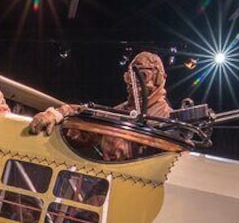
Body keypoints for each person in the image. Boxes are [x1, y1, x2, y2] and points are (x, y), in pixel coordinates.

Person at [28, 51, 174, 160]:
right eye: (130, 76)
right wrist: (58, 114)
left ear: (159, 78)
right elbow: (89, 121)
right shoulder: (123, 111)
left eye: (142, 75)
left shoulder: (166, 117)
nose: (133, 82)